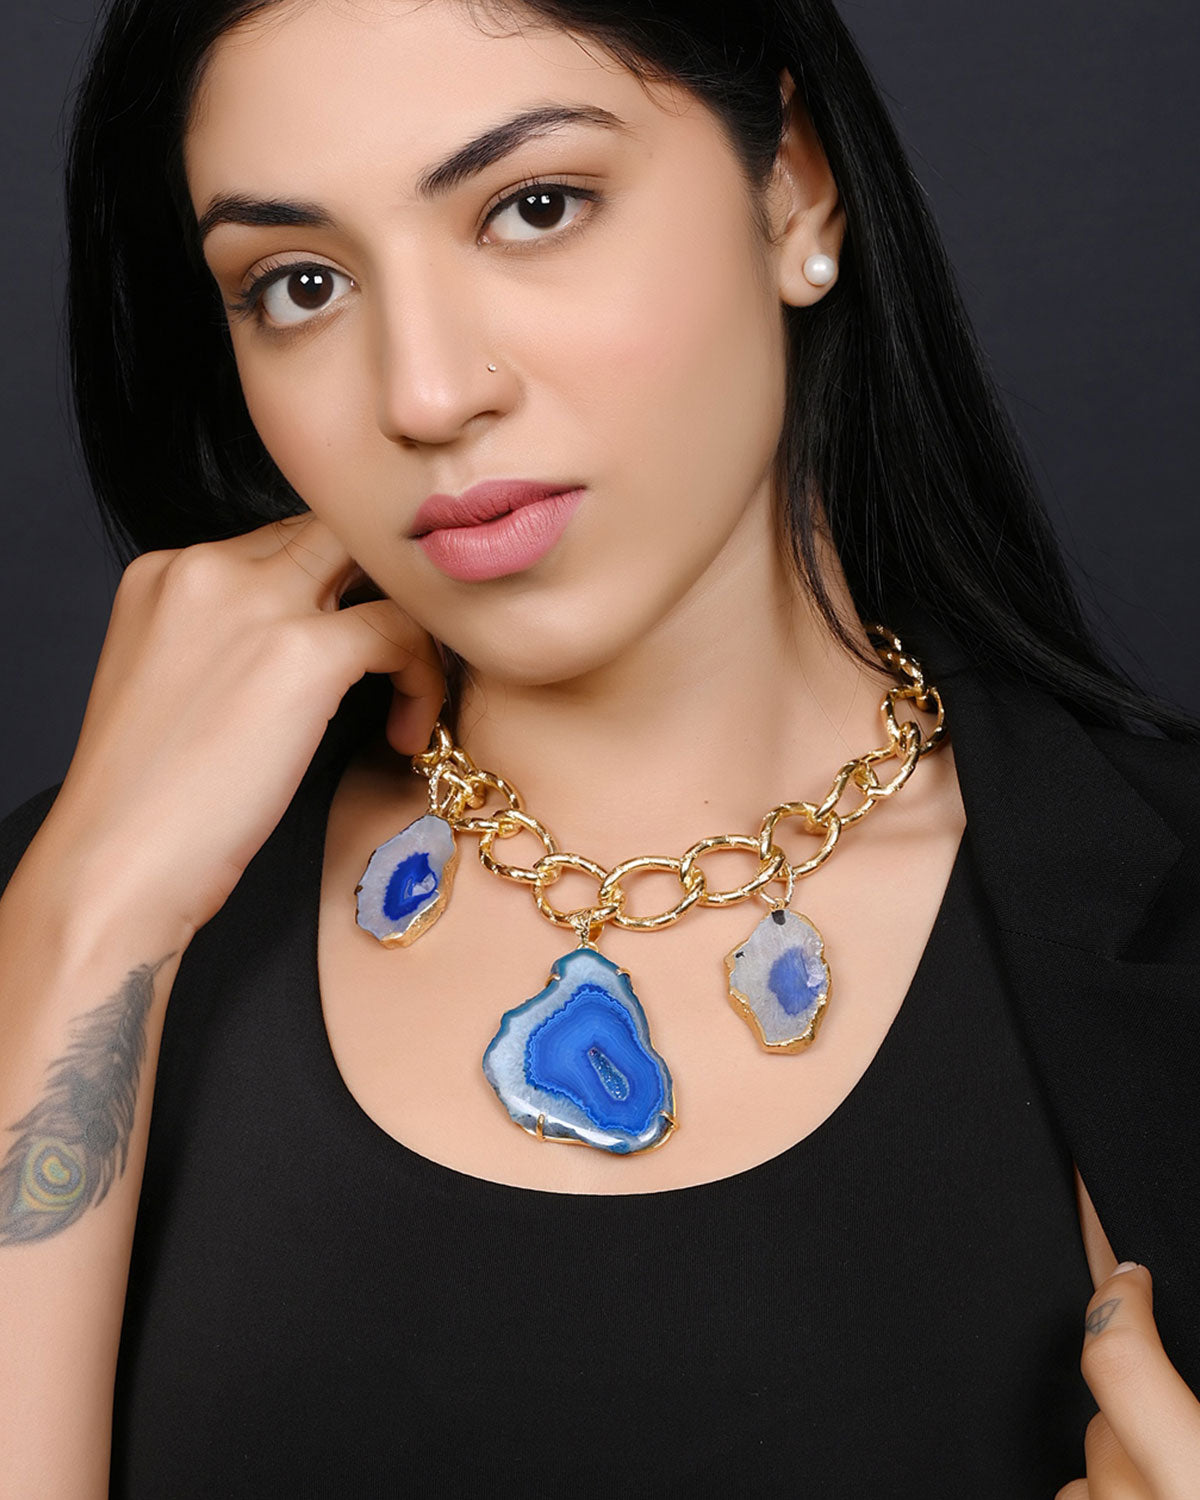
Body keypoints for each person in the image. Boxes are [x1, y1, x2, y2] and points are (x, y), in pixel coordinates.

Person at [0, 0, 1197, 1493]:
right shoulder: (70, 925)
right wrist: (82, 923)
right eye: (300, 284)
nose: (427, 394)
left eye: (535, 207)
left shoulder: (1157, 906)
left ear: (794, 188)